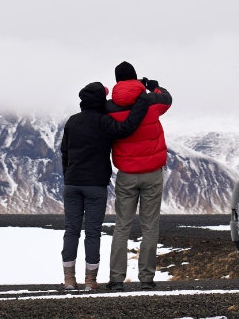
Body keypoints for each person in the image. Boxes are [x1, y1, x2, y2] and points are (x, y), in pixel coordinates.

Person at [59, 81, 150, 291]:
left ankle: (69, 280)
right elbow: (126, 128)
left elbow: (64, 152)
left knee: (71, 231)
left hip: (72, 184)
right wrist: (141, 104)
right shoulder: (103, 121)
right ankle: (90, 281)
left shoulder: (72, 122)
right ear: (100, 101)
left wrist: (68, 176)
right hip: (95, 186)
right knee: (92, 232)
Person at [105, 60, 173, 291]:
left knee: (122, 225)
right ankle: (146, 279)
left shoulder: (110, 108)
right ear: (135, 78)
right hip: (152, 174)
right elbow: (167, 98)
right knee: (150, 226)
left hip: (126, 175)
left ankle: (116, 279)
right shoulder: (150, 102)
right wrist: (153, 86)